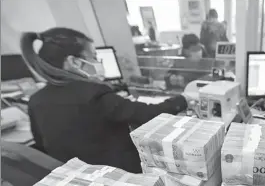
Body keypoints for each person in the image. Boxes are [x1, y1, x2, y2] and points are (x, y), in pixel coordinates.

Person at [22, 27, 188, 174]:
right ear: (74, 62)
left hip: (74, 178)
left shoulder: (36, 101)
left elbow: (42, 145)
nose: (98, 63)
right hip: (116, 176)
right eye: (94, 57)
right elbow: (148, 114)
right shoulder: (94, 95)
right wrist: (183, 99)